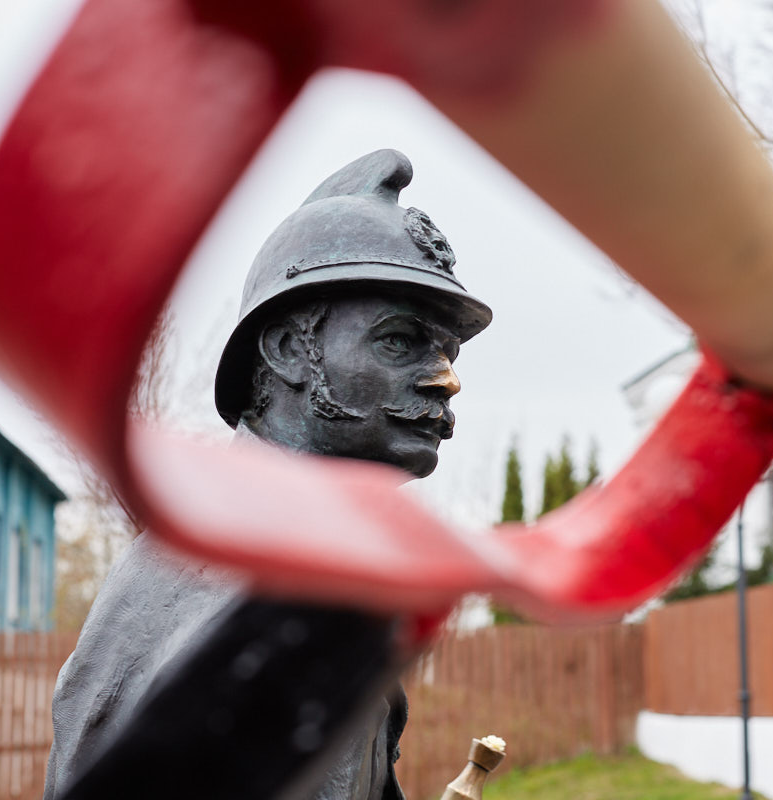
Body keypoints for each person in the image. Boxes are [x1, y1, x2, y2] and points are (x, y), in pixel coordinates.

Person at [43, 148, 490, 800]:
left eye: (448, 352)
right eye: (400, 340)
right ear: (285, 352)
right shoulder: (224, 572)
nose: (446, 379)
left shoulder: (318, 562)